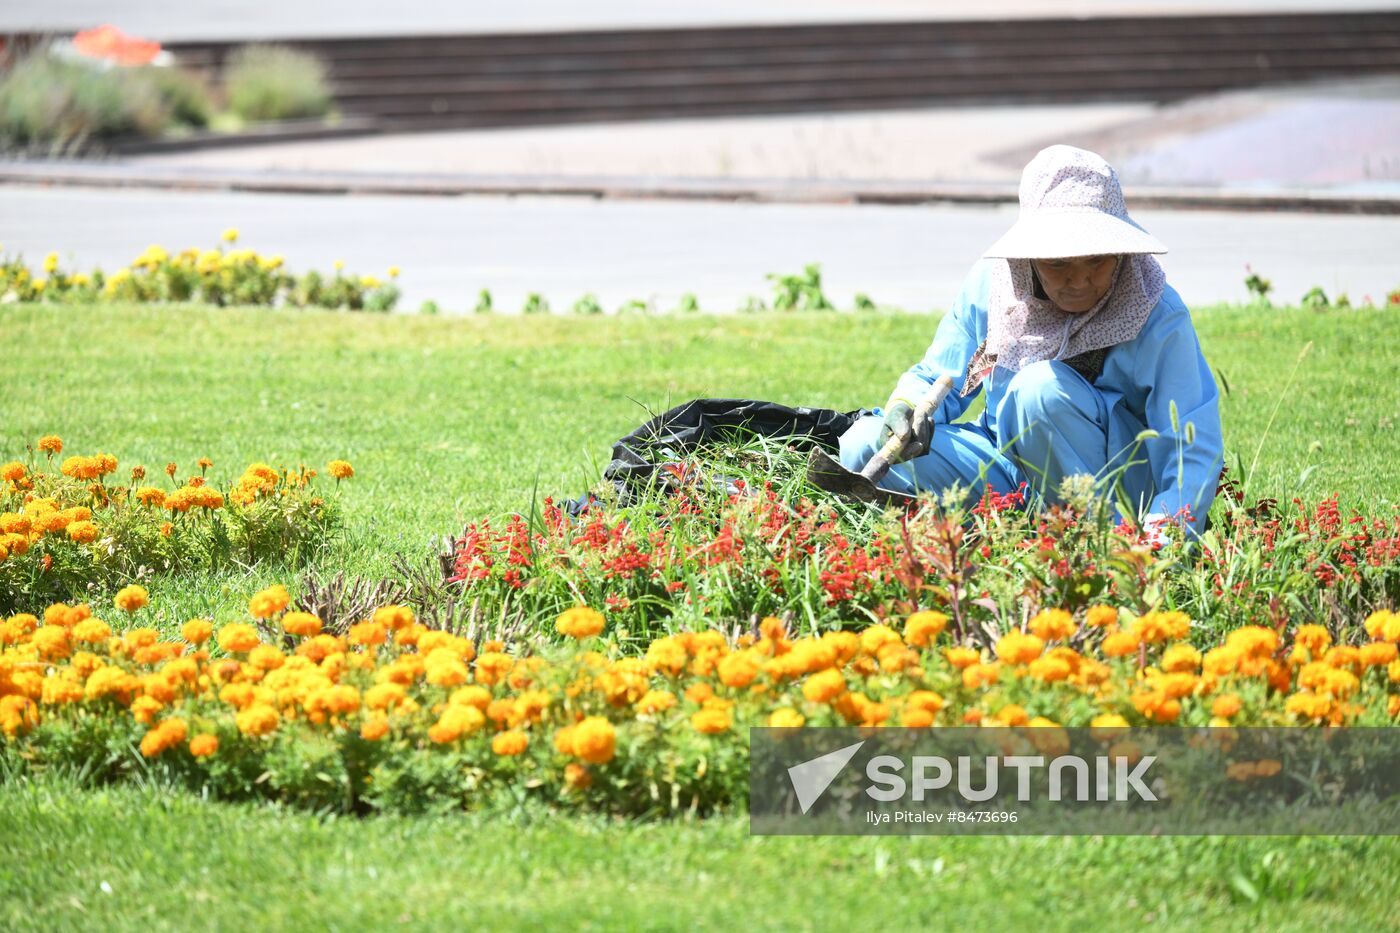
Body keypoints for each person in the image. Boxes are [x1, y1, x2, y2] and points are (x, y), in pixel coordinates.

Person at [838, 145, 1223, 539]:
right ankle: (1000, 537)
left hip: (1117, 491)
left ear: (1121, 253)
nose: (1079, 280)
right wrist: (907, 408)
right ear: (1030, 257)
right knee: (860, 446)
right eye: (1058, 264)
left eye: (1097, 261)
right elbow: (938, 375)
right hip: (1007, 464)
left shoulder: (1155, 311)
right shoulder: (994, 286)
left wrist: (1161, 546)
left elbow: (1189, 446)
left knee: (1040, 388)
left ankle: (1099, 549)